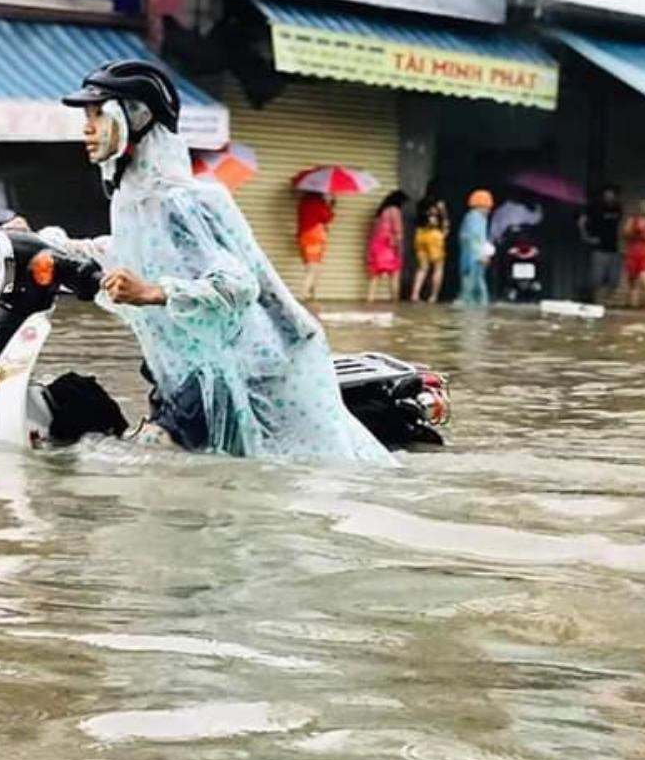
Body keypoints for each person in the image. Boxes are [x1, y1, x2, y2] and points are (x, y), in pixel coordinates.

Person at [52, 59, 392, 463]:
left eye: (99, 115)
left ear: (135, 118)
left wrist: (154, 291)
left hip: (227, 373)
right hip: (186, 372)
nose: (87, 128)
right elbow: (126, 253)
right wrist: (42, 243)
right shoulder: (132, 200)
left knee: (140, 467)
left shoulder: (180, 201)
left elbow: (237, 285)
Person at [578, 184, 623, 305]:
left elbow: (618, 226)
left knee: (613, 280)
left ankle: (606, 301)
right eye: (608, 194)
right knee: (596, 279)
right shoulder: (594, 207)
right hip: (599, 248)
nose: (610, 196)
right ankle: (596, 301)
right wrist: (586, 237)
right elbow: (581, 222)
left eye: (612, 194)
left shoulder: (617, 208)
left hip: (613, 248)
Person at [365, 189, 408, 304]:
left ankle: (369, 302)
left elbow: (374, 231)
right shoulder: (395, 211)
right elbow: (398, 232)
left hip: (375, 245)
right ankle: (395, 302)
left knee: (374, 277)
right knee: (394, 275)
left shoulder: (380, 212)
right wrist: (400, 250)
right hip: (388, 246)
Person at [410, 181, 448, 303]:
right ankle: (433, 296)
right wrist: (444, 234)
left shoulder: (421, 203)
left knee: (422, 268)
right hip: (434, 235)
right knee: (438, 267)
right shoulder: (440, 204)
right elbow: (445, 221)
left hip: (420, 234)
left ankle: (415, 294)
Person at [458, 190, 494, 307]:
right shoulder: (475, 218)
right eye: (488, 207)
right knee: (472, 285)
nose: (489, 210)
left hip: (475, 258)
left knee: (475, 284)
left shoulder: (477, 218)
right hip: (472, 259)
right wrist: (482, 255)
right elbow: (473, 239)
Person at [297, 191, 334, 300]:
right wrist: (329, 203)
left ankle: (312, 295)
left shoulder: (304, 202)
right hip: (314, 236)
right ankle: (302, 296)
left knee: (315, 268)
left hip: (304, 236)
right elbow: (327, 217)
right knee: (312, 268)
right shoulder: (318, 204)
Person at [621, 196, 645, 308]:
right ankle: (632, 306)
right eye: (641, 205)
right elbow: (625, 234)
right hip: (633, 251)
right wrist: (633, 233)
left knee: (644, 279)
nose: (642, 208)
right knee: (632, 281)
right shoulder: (632, 220)